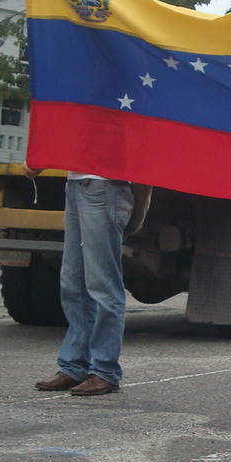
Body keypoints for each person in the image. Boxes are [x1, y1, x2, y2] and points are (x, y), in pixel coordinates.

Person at [31, 168, 134, 396]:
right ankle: (74, 365)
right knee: (73, 283)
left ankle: (105, 370)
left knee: (103, 284)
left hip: (105, 183)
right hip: (76, 183)